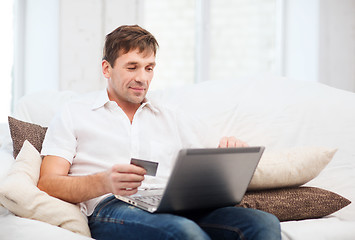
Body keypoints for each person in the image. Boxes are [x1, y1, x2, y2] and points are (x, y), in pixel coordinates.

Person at [38, 25, 281, 240]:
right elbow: (48, 183)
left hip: (172, 204)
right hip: (111, 207)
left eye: (149, 68)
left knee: (262, 223)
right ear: (106, 68)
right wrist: (104, 182)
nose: (142, 78)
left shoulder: (171, 116)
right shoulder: (74, 113)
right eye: (132, 67)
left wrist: (231, 147)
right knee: (181, 231)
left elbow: (213, 156)